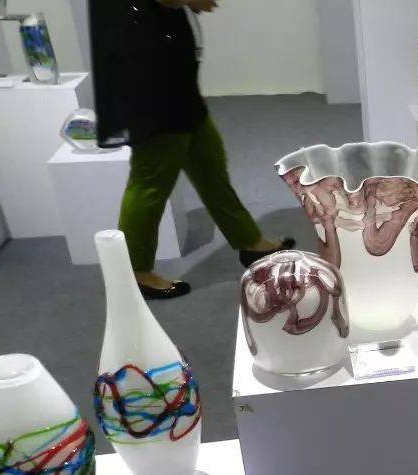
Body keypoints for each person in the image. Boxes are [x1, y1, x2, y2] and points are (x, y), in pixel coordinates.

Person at [91, 0, 292, 299]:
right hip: (150, 71)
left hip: (165, 60)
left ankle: (248, 240)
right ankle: (134, 272)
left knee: (209, 160)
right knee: (151, 178)